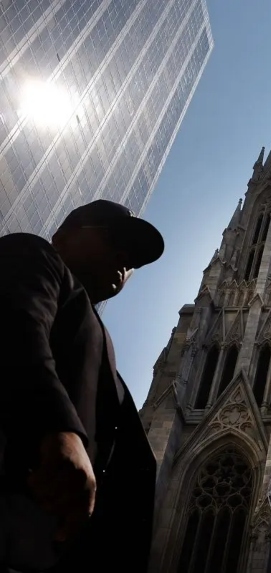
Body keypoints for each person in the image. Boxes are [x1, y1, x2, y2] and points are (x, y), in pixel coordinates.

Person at [0, 200, 164, 572]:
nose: (125, 258)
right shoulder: (33, 254)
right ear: (63, 237)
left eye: (134, 259)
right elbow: (16, 323)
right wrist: (57, 426)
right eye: (114, 238)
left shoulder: (106, 354)